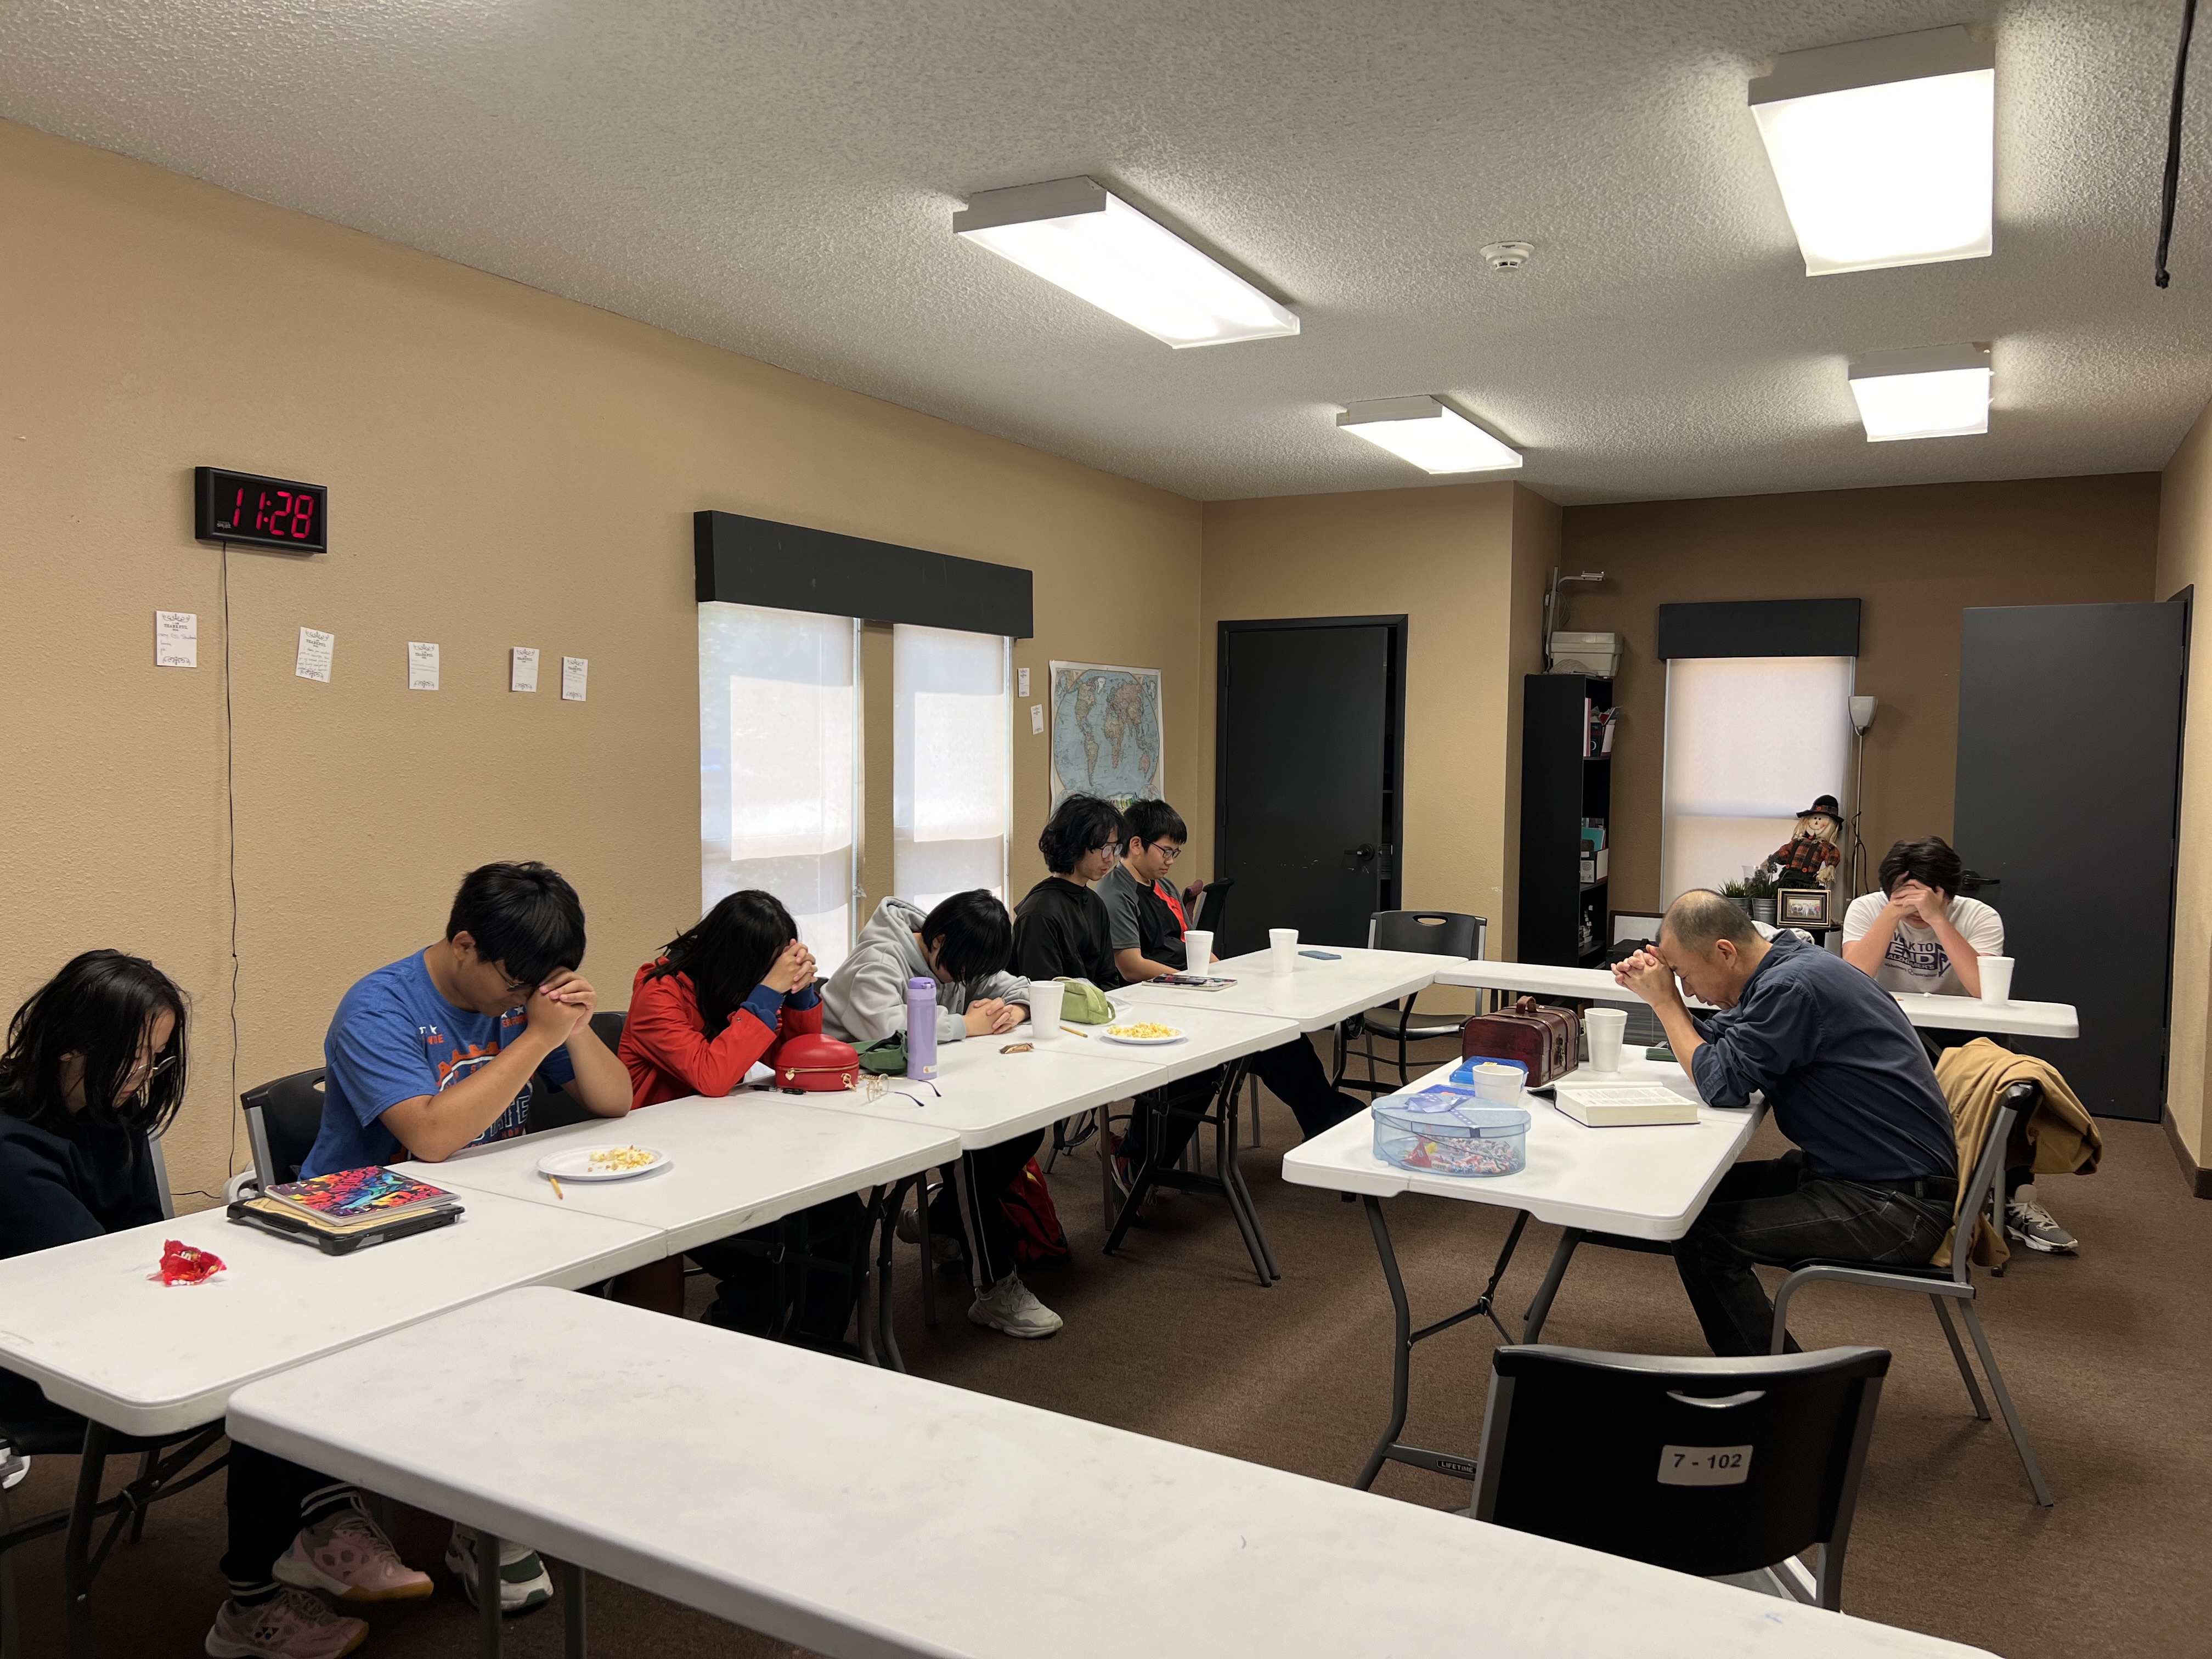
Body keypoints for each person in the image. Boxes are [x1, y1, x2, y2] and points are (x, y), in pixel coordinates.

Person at [0, 951, 433, 1659]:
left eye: (158, 1057)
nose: (147, 1076)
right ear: (72, 1045)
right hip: (41, 1363)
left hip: (114, 1316)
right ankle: (260, 1594)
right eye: (136, 1057)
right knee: (264, 1376)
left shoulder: (111, 1112)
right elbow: (89, 1280)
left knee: (304, 1337)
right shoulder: (13, 1148)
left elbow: (143, 1245)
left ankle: (319, 1522)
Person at [302, 860, 631, 1614]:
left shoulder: (522, 997)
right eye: (514, 984)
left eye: (538, 985)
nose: (520, 999)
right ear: (463, 945)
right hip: (372, 1229)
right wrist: (536, 1035)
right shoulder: (379, 1006)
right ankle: (484, 1515)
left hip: (482, 1215)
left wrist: (572, 1029)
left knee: (576, 1301)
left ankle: (508, 1488)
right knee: (506, 1329)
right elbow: (431, 1139)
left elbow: (615, 1100)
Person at [1611, 891, 1960, 1357]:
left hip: (1893, 1207)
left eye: (1686, 975)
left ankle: (1779, 1387)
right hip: (1861, 1176)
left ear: (1725, 952)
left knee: (1702, 1236)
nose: (1689, 990)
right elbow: (1728, 1049)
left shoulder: (1791, 987)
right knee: (1685, 1197)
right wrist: (1667, 993)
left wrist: (1666, 1006)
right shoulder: (1790, 966)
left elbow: (1722, 1083)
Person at [618, 891, 865, 1340]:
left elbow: (791, 1059)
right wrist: (767, 992)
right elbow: (712, 1075)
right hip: (660, 1166)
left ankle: (815, 1347)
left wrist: (801, 996)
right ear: (736, 961)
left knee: (843, 1216)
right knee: (773, 1255)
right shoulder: (659, 994)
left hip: (724, 1148)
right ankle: (724, 1354)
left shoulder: (733, 988)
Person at [820, 890, 1057, 1339]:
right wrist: (967, 1025)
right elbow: (890, 1031)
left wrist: (1014, 1010)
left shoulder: (957, 951)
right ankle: (994, 1288)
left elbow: (1015, 985)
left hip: (916, 1084)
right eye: (963, 972)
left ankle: (943, 1222)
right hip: (850, 1097)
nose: (967, 980)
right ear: (939, 941)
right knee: (972, 1149)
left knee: (1023, 1130)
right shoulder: (879, 960)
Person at [1097, 798, 1365, 1174]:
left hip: (1190, 991)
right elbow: (1130, 966)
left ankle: (1330, 1123)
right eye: (1166, 851)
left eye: (1176, 853)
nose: (1171, 860)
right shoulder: (1116, 894)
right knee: (1212, 1061)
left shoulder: (1163, 886)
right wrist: (1194, 979)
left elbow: (1192, 943)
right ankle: (1139, 1162)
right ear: (1137, 844)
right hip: (1156, 1000)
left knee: (1280, 1036)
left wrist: (1225, 976)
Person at [1841, 837, 2074, 1254]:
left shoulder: (1979, 916)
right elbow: (1853, 979)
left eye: (1925, 896)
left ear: (1948, 891)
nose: (1914, 907)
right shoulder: (1867, 908)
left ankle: (2014, 1199)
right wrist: (1891, 914)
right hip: (1889, 1029)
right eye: (1902, 894)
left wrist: (1939, 920)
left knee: (2013, 1082)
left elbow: (1984, 988)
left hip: (1968, 1034)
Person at [1009, 793, 1125, 988]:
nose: (1110, 858)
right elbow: (1044, 991)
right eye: (1105, 849)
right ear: (1076, 845)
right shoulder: (1040, 913)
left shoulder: (1095, 903)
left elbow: (1108, 979)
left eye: (1115, 849)